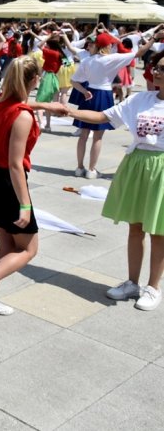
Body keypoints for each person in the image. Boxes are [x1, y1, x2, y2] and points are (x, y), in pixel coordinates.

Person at [0, 56, 67, 317]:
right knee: (28, 249)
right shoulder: (23, 117)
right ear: (33, 80)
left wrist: (44, 105)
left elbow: (18, 104)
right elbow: (15, 164)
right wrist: (24, 204)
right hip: (8, 184)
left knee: (6, 246)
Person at [66, 51, 164, 310]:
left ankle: (153, 287)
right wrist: (68, 110)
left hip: (162, 167)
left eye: (162, 69)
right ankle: (132, 282)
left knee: (159, 232)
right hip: (136, 163)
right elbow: (104, 117)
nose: (156, 71)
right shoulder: (142, 99)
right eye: (156, 67)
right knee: (135, 227)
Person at [71, 32, 154, 179]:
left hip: (89, 94)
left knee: (83, 134)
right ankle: (91, 169)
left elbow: (74, 81)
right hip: (104, 95)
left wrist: (84, 91)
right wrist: (153, 38)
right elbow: (140, 52)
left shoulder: (88, 60)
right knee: (98, 136)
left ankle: (79, 167)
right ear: (108, 45)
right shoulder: (113, 58)